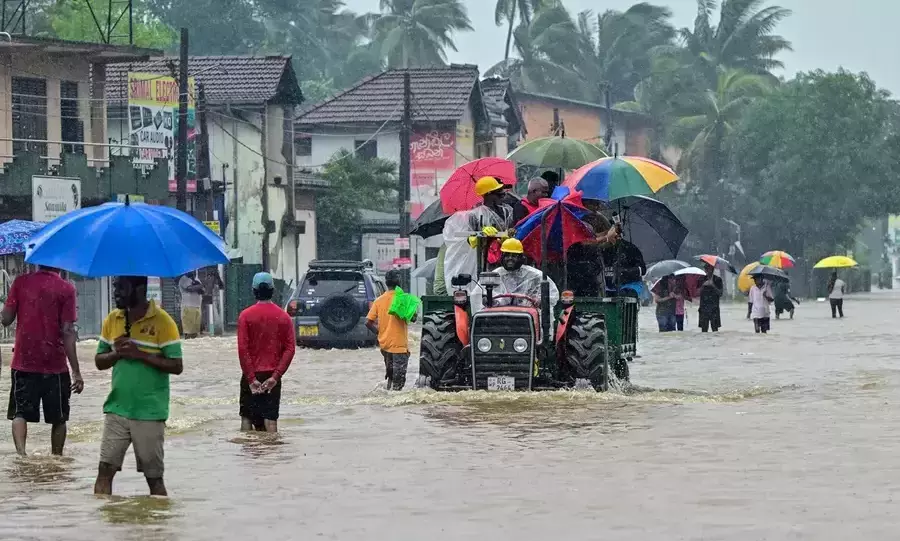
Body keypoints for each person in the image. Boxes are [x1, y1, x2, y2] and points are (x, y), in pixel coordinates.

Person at [94, 276, 183, 497]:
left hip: (149, 412)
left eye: (121, 287)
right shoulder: (113, 319)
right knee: (105, 471)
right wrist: (117, 353)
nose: (116, 292)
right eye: (115, 287)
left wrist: (139, 354)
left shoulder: (163, 321)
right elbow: (99, 361)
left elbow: (176, 365)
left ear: (140, 289)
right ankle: (104, 528)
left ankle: (156, 528)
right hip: (116, 409)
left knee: (153, 478)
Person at [1, 266, 83, 456]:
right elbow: (68, 331)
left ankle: (22, 458)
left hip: (23, 362)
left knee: (20, 413)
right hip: (55, 365)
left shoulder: (21, 282)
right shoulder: (66, 289)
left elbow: (5, 319)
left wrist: (9, 302)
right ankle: (56, 459)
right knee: (59, 418)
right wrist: (76, 371)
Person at [237, 272, 295, 432]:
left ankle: (248, 456)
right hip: (272, 376)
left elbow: (243, 349)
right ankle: (272, 456)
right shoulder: (284, 317)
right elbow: (290, 349)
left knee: (247, 419)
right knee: (271, 421)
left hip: (251, 375)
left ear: (254, 291)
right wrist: (275, 377)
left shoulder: (245, 316)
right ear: (273, 290)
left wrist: (250, 379)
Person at [471, 239, 559, 312]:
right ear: (502, 257)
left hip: (528, 316)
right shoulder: (494, 275)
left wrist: (540, 301)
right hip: (499, 318)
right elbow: (477, 295)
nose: (510, 258)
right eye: (507, 255)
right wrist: (487, 300)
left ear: (521, 258)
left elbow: (552, 295)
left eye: (514, 256)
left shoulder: (535, 275)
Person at [366, 270, 411, 391]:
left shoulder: (379, 300)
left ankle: (388, 403)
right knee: (399, 383)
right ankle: (395, 407)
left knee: (390, 376)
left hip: (385, 346)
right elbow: (414, 317)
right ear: (399, 282)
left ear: (386, 283)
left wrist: (379, 333)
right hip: (399, 347)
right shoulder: (403, 299)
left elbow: (368, 322)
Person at [698, 263, 724, 332]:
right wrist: (703, 285)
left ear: (712, 270)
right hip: (703, 308)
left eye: (710, 269)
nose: (708, 271)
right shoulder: (701, 279)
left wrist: (713, 285)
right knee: (704, 331)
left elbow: (720, 293)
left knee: (715, 331)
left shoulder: (718, 280)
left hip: (714, 309)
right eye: (706, 269)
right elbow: (697, 293)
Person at [178, 271, 204, 338]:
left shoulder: (196, 279)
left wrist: (200, 285)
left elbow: (202, 291)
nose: (193, 271)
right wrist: (200, 285)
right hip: (188, 307)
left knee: (195, 332)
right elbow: (190, 289)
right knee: (189, 332)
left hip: (197, 306)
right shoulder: (183, 279)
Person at [201, 267, 225, 335]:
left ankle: (218, 330)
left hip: (217, 300)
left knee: (218, 315)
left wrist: (217, 277)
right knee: (212, 316)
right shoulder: (208, 279)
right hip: (210, 299)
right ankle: (211, 330)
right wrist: (212, 278)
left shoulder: (218, 280)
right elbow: (208, 289)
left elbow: (222, 286)